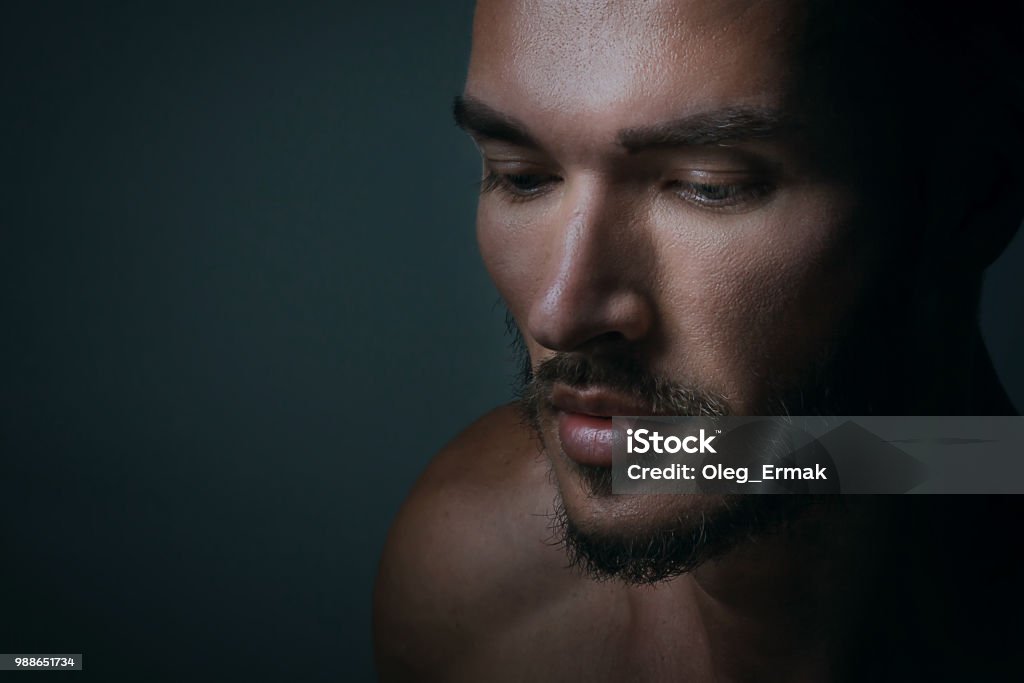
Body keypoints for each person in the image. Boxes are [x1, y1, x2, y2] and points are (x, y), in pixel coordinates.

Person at [374, 1, 1024, 680]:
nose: (559, 314)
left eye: (708, 186)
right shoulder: (473, 583)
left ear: (974, 198)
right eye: (521, 175)